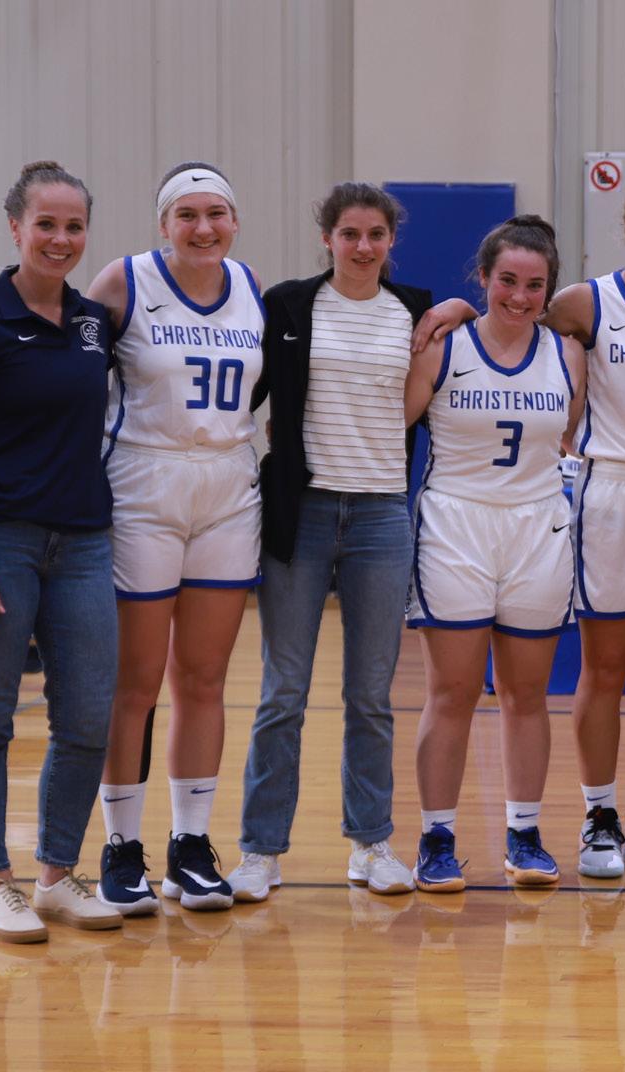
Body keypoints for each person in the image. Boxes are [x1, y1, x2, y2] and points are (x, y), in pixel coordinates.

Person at [411, 179, 625, 880]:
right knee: (468, 690)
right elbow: (398, 416)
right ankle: (459, 836)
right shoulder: (577, 308)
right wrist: (453, 307)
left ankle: (615, 822)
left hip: (613, 508)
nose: (520, 295)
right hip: (493, 515)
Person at [0, 160, 123, 942]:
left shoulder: (93, 323)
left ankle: (55, 876)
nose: (60, 239)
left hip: (85, 544)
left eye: (74, 226)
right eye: (46, 224)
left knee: (88, 717)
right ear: (16, 227)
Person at [228, 183, 436, 901]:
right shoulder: (289, 305)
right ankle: (259, 852)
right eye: (350, 234)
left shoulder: (415, 310)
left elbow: (448, 356)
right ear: (328, 239)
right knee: (283, 692)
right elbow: (243, 393)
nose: (363, 246)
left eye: (376, 234)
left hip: (381, 517)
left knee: (370, 696)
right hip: (303, 514)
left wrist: (463, 308)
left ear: (391, 240)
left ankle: (371, 843)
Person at [85, 161, 264, 914]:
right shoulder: (122, 282)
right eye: (186, 214)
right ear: (163, 224)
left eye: (216, 213)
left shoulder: (251, 287)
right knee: (135, 681)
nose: (203, 227)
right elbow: (71, 379)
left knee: (204, 679)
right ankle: (121, 846)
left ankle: (191, 845)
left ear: (234, 221)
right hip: (144, 482)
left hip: (227, 486)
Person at [405, 215, 585, 892]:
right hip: (456, 523)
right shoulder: (444, 345)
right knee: (452, 692)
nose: (519, 295)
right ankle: (436, 838)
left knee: (526, 693)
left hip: (538, 527)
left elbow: (566, 439)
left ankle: (525, 834)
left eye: (535, 285)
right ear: (482, 278)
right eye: (506, 280)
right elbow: (395, 423)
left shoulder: (567, 355)